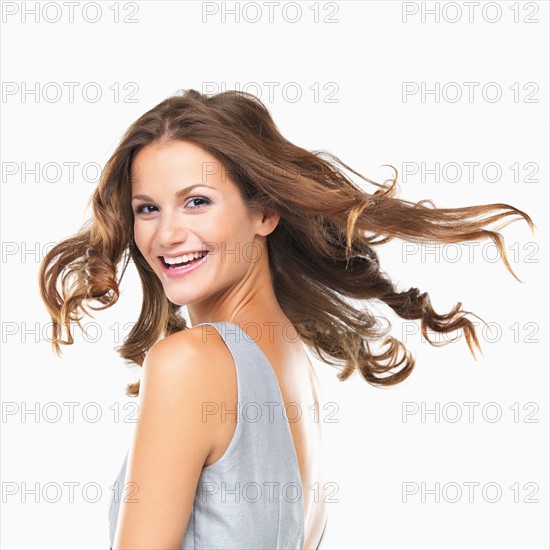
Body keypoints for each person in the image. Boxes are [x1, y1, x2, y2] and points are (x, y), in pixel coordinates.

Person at [38, 89, 535, 549]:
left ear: (265, 214)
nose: (166, 234)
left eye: (197, 202)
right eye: (147, 208)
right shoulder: (292, 363)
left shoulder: (192, 361)